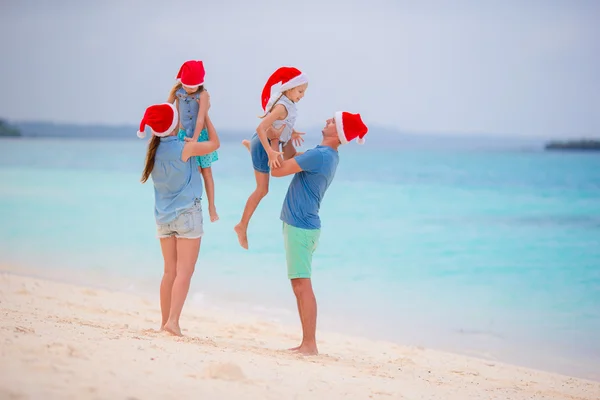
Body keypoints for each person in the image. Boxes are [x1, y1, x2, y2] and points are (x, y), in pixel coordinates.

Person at [270, 111, 368, 355]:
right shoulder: (325, 155)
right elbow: (295, 160)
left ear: (339, 133)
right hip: (302, 226)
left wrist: (273, 140)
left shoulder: (321, 155)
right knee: (299, 285)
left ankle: (309, 345)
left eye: (333, 121)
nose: (327, 121)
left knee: (302, 286)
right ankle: (307, 343)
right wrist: (287, 140)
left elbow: (278, 170)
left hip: (301, 227)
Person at [137, 99, 220, 336]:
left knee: (169, 272)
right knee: (185, 272)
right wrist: (205, 116)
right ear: (175, 126)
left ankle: (165, 322)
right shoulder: (185, 148)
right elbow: (215, 144)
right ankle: (173, 322)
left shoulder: (153, 151)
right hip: (187, 215)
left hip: (163, 218)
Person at [235, 66, 308, 250]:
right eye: (300, 91)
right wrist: (269, 151)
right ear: (290, 88)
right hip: (265, 145)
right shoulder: (282, 106)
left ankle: (251, 148)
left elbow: (282, 123)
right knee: (262, 189)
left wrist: (292, 131)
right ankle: (241, 225)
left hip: (276, 142)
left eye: (304, 92)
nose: (302, 95)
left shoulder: (288, 103)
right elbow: (261, 128)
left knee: (294, 158)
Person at [167, 60, 219, 223]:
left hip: (200, 135)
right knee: (190, 171)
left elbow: (200, 118)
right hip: (182, 135)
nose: (189, 89)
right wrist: (168, 134)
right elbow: (169, 111)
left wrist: (195, 139)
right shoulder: (178, 92)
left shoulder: (203, 94)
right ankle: (189, 202)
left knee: (206, 171)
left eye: (193, 86)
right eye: (187, 85)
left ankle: (212, 206)